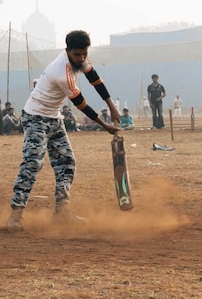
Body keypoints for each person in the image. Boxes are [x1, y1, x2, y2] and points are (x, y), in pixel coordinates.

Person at [8, 30, 120, 231]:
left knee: (67, 163)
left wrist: (112, 106)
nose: (82, 58)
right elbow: (80, 103)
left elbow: (95, 79)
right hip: (35, 117)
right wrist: (104, 125)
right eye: (78, 55)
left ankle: (62, 212)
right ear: (67, 51)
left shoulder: (80, 60)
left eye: (85, 54)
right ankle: (15, 215)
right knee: (32, 163)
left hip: (54, 118)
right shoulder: (61, 72)